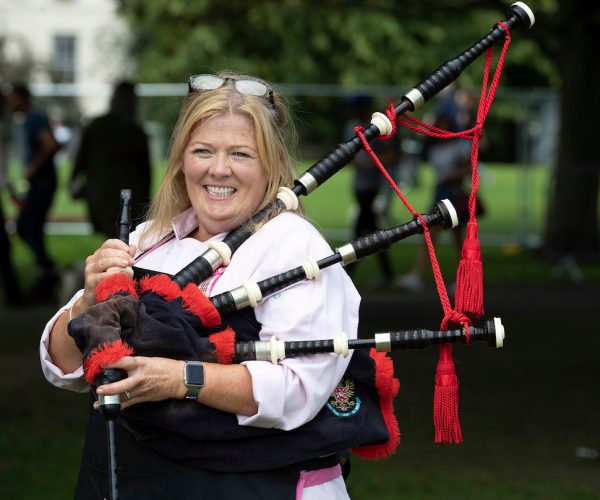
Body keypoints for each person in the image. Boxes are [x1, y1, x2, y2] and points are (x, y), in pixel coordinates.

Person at [40, 73, 362, 498]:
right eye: (203, 151)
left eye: (241, 154)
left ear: (271, 164)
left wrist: (179, 379)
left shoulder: (296, 247)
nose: (218, 169)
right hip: (129, 479)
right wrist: (85, 302)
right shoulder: (144, 241)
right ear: (181, 161)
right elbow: (65, 369)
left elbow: (297, 389)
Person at [70, 81, 151, 236]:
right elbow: (145, 170)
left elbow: (81, 158)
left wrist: (73, 181)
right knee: (124, 232)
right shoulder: (134, 130)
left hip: (101, 189)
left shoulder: (97, 125)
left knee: (114, 232)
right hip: (127, 191)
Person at [6, 84, 60, 300]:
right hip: (39, 184)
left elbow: (50, 144)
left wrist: (33, 167)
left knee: (29, 227)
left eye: (12, 98)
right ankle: (46, 270)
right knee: (24, 227)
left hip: (42, 183)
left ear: (22, 98)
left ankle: (47, 272)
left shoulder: (34, 119)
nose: (9, 103)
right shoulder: (27, 120)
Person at [344, 94, 397, 285]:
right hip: (360, 186)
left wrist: (372, 163)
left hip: (373, 186)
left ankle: (348, 272)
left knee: (362, 230)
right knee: (370, 230)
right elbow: (350, 156)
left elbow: (391, 155)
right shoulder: (351, 126)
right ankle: (386, 272)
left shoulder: (376, 126)